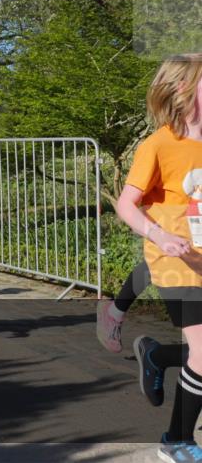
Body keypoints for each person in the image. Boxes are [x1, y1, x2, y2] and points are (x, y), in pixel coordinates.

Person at [113, 53, 202, 463]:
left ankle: (158, 356)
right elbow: (126, 205)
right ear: (184, 89)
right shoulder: (159, 144)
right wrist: (160, 235)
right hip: (175, 264)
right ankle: (176, 439)